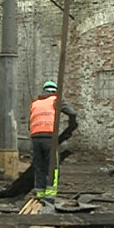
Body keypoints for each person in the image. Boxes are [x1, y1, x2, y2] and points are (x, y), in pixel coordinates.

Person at [29, 81, 77, 211]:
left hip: (35, 137)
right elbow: (72, 113)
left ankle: (40, 193)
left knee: (39, 166)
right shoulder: (56, 100)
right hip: (50, 137)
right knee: (52, 166)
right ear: (55, 91)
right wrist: (72, 125)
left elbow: (31, 122)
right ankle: (50, 195)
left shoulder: (36, 103)